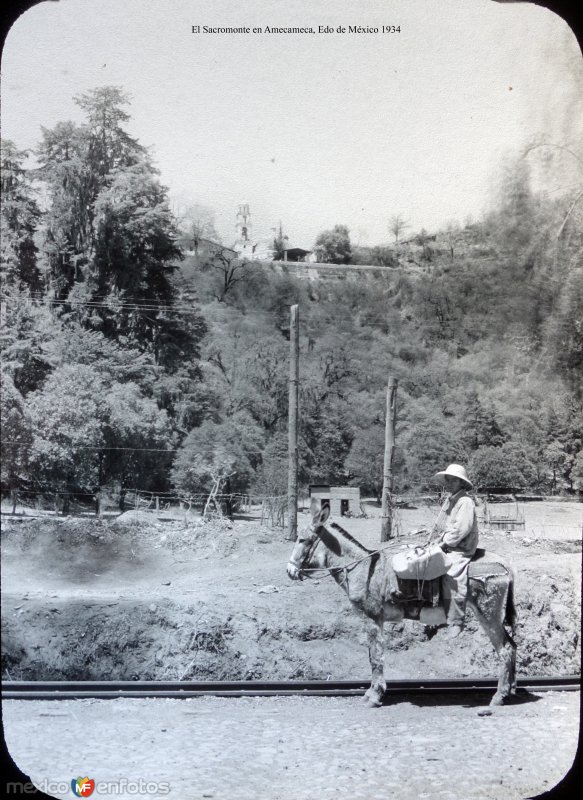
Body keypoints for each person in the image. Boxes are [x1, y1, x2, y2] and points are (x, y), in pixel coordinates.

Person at [433, 464, 479, 639]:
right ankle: (437, 613)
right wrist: (438, 541)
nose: (449, 483)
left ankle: (456, 622)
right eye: (448, 480)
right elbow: (449, 528)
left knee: (452, 573)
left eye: (453, 480)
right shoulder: (453, 500)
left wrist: (444, 544)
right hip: (451, 543)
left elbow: (461, 529)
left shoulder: (465, 502)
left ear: (461, 482)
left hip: (461, 547)